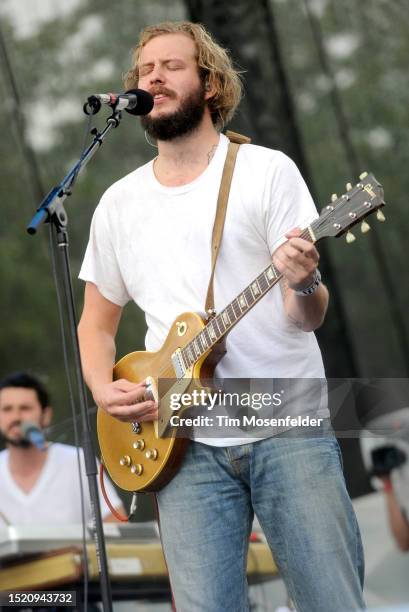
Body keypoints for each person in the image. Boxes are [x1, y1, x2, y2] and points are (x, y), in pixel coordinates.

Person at [77, 21, 365, 611]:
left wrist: (304, 278)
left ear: (210, 85)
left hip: (288, 428)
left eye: (171, 66)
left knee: (330, 601)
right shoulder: (118, 204)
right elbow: (96, 324)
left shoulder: (265, 170)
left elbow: (308, 317)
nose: (152, 76)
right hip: (180, 440)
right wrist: (103, 389)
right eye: (144, 70)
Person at [0, 371, 124, 526]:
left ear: (46, 415)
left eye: (25, 408)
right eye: (7, 409)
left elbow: (118, 528)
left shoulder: (79, 461)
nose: (16, 417)